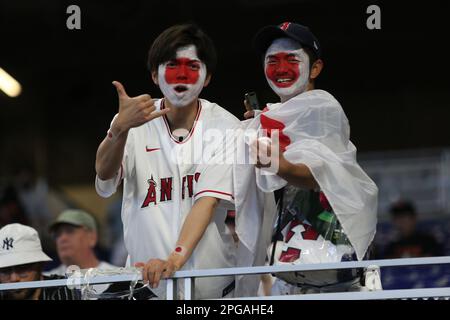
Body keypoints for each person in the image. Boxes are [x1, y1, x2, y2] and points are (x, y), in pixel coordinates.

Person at [95, 24, 241, 299]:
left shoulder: (225, 126)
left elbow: (206, 202)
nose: (182, 75)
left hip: (209, 286)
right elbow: (104, 179)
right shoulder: (132, 121)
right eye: (171, 65)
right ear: (154, 75)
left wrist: (173, 260)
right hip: (145, 285)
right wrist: (119, 130)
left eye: (192, 66)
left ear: (207, 77)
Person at [240, 22, 379, 295]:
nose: (281, 69)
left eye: (292, 60)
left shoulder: (322, 107)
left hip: (337, 268)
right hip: (295, 271)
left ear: (315, 68)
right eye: (272, 61)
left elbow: (318, 172)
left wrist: (279, 163)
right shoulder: (275, 117)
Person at [0, 223, 80, 300]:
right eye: (5, 270)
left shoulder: (66, 292)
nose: (14, 278)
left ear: (40, 265)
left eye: (22, 268)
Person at [46, 209, 116, 274]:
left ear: (92, 237)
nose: (62, 238)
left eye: (70, 231)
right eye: (57, 234)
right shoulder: (46, 281)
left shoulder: (116, 278)